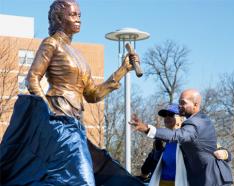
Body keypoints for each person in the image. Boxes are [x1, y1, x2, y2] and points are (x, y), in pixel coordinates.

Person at [0, 0, 143, 185]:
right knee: (83, 180)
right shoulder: (51, 43)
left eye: (80, 15)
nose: (78, 20)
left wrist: (123, 69)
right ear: (59, 18)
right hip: (59, 122)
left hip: (75, 123)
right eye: (73, 15)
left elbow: (93, 95)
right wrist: (48, 114)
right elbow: (32, 78)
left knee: (68, 179)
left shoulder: (80, 56)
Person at [131, 89, 233, 186]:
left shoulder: (193, 127)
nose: (167, 118)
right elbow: (150, 162)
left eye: (171, 115)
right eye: (165, 115)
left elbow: (213, 148)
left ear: (180, 118)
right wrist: (143, 175)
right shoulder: (161, 141)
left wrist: (225, 153)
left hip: (205, 180)